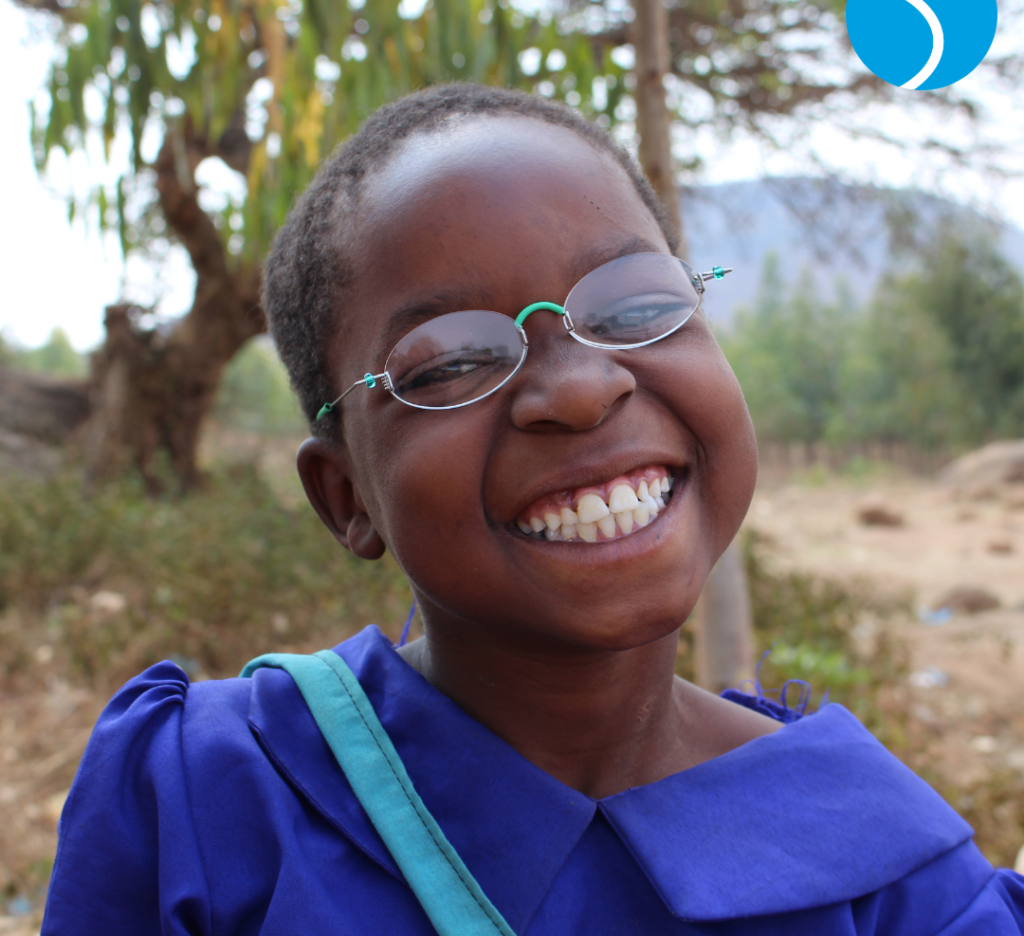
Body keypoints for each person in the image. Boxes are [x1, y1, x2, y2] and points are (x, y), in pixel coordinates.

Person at [42, 84, 1024, 934]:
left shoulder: (891, 870)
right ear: (346, 497)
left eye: (637, 304)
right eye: (451, 360)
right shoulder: (208, 798)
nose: (581, 388)